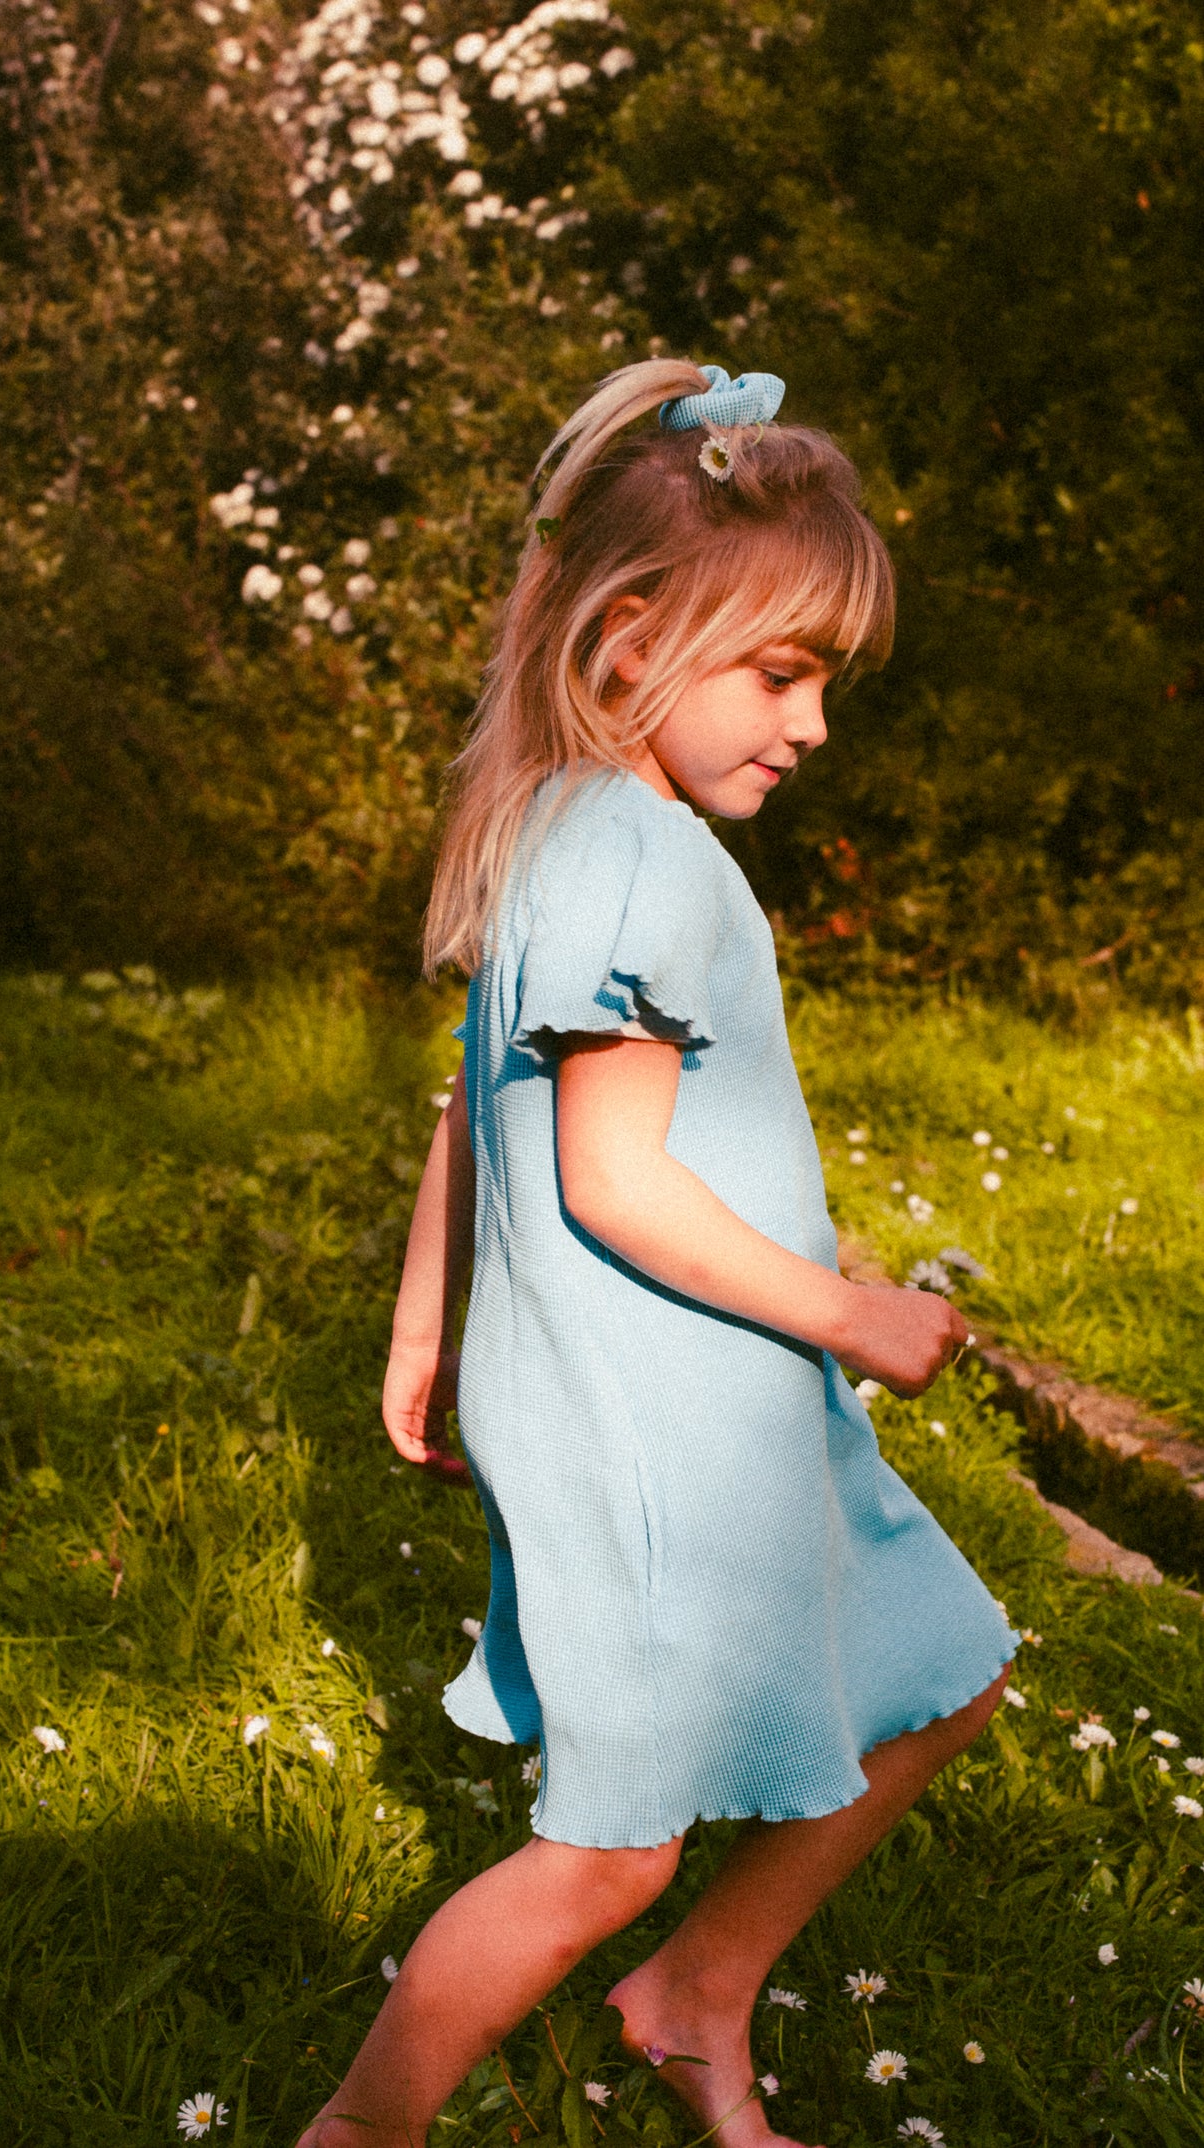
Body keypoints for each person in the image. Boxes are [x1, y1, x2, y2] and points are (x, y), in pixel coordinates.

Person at [300, 360, 1015, 2148]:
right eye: (779, 674)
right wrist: (851, 1313)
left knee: (944, 1665)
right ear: (628, 638)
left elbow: (474, 1113)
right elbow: (610, 1180)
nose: (810, 724)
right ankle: (355, 2133)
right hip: (662, 1429)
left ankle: (697, 1993)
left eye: (820, 682)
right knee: (605, 1849)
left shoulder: (563, 824)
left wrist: (421, 1327)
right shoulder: (640, 861)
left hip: (719, 1409)